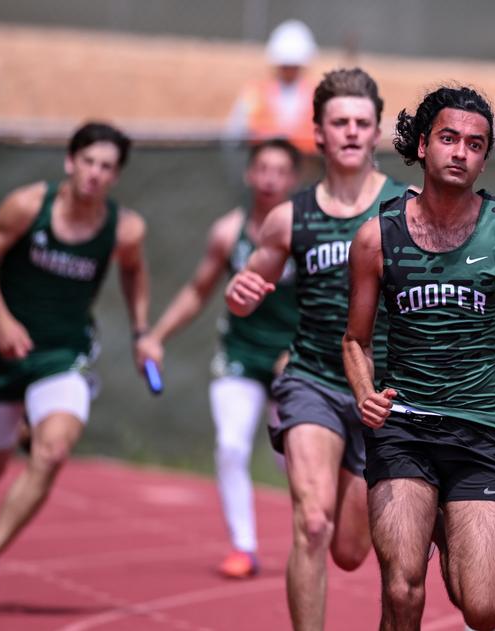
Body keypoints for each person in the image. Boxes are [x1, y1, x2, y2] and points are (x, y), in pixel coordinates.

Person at [342, 86, 495, 631]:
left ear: (484, 157)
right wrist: (364, 394)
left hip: (481, 431)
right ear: (423, 145)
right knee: (402, 585)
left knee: (485, 610)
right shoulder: (377, 238)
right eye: (449, 138)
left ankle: (448, 523)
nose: (460, 151)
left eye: (475, 143)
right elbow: (355, 339)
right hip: (405, 427)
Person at [225, 67, 409, 631]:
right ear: (319, 135)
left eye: (362, 123)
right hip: (313, 379)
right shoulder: (289, 218)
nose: (352, 132)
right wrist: (240, 296)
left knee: (352, 550)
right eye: (340, 123)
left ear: (376, 133)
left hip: (382, 393)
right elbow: (244, 295)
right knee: (311, 523)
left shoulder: (410, 209)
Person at [0, 122, 149, 598]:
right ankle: (17, 427)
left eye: (107, 167)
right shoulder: (27, 206)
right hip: (1, 351)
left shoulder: (125, 229)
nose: (95, 174)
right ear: (70, 163)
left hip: (63, 354)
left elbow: (135, 273)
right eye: (89, 162)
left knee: (53, 451)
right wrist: (0, 321)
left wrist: (141, 332)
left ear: (116, 176)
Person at [136, 138, 302, 579]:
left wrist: (303, 347)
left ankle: (309, 535)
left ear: (294, 179)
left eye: (279, 170)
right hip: (240, 357)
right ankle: (243, 548)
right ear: (248, 174)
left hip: (297, 360)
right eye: (261, 168)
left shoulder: (307, 232)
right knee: (231, 446)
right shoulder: (228, 232)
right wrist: (157, 336)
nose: (269, 178)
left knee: (297, 460)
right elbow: (197, 291)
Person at [225, 19, 318, 154]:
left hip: (307, 168)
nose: (289, 70)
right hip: (263, 167)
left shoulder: (317, 96)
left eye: (293, 65)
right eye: (285, 65)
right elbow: (234, 134)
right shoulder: (254, 94)